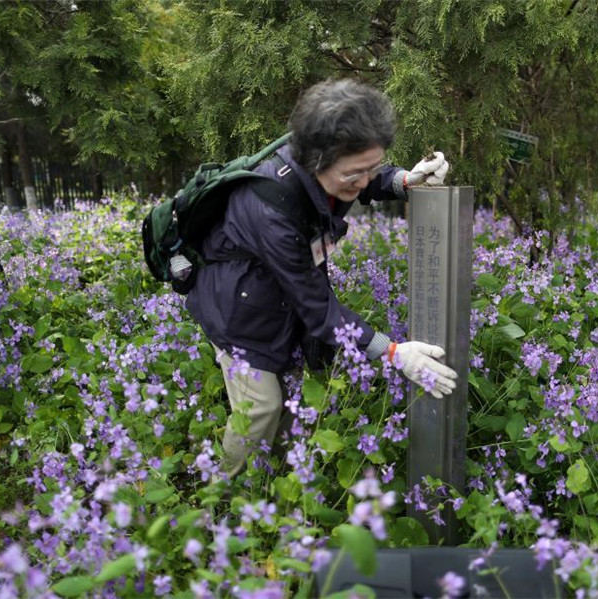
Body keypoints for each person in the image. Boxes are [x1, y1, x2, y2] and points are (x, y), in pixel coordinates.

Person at [186, 78, 459, 476]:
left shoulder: (330, 171)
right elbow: (317, 309)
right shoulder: (271, 211)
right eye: (355, 173)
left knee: (289, 404)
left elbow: (362, 177)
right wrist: (394, 353)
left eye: (371, 167)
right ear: (317, 160)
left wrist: (404, 180)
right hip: (236, 311)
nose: (364, 181)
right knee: (261, 406)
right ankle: (222, 493)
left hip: (273, 297)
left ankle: (271, 486)